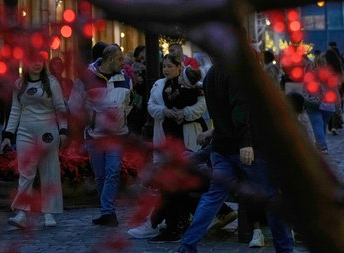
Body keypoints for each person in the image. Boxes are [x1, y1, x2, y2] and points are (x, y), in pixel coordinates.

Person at [175, 64, 295, 253]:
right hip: (242, 148)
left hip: (222, 147)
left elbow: (222, 113)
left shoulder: (212, 74)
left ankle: (187, 245)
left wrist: (216, 132)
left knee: (212, 197)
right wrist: (245, 142)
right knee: (271, 195)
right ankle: (285, 248)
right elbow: (240, 110)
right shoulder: (235, 72)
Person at [134, 59, 208, 242]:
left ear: (179, 68)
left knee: (178, 182)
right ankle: (166, 223)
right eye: (164, 66)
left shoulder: (193, 84)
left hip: (187, 135)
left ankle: (166, 223)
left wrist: (186, 112)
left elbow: (201, 104)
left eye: (170, 66)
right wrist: (164, 111)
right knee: (168, 181)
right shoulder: (159, 85)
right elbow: (151, 106)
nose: (166, 69)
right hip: (166, 135)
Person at [68, 44, 133, 227]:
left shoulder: (125, 78)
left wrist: (123, 116)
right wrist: (88, 118)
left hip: (117, 134)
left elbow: (129, 102)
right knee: (101, 175)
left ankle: (108, 212)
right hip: (95, 135)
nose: (123, 63)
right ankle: (106, 210)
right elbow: (74, 105)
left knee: (113, 171)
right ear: (110, 59)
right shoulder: (86, 79)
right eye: (119, 59)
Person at [1, 58, 68, 229]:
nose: (37, 63)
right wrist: (8, 134)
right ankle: (22, 212)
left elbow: (60, 108)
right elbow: (15, 110)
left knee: (49, 170)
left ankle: (49, 212)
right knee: (26, 171)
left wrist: (63, 131)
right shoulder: (19, 84)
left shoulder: (52, 83)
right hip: (25, 131)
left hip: (48, 131)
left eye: (40, 60)